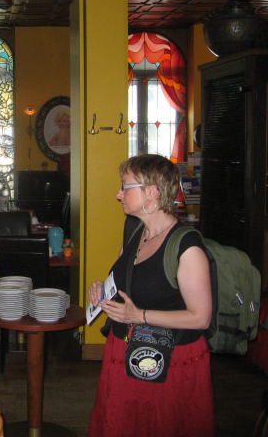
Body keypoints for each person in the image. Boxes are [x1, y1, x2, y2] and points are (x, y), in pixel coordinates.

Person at [88, 154, 214, 437]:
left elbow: (201, 318)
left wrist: (139, 316)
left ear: (152, 193)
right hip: (124, 350)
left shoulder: (186, 246)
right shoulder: (134, 231)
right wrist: (102, 289)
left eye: (125, 186)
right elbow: (126, 282)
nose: (118, 194)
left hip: (170, 361)